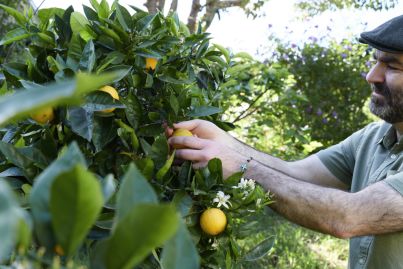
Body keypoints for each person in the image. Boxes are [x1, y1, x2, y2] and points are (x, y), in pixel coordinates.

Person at [167, 15, 403, 269]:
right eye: (375, 60)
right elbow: (296, 174)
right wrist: (224, 142)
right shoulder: (371, 138)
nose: (371, 75)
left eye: (392, 66)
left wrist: (240, 165)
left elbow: (348, 216)